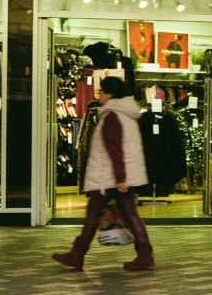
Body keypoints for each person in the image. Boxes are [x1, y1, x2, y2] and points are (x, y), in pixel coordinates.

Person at [51, 76, 155, 271]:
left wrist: (120, 178)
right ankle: (144, 254)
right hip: (118, 176)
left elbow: (115, 148)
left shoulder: (112, 115)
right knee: (130, 213)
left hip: (108, 177)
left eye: (101, 92)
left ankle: (78, 254)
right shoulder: (126, 113)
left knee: (93, 212)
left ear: (109, 94)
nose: (98, 96)